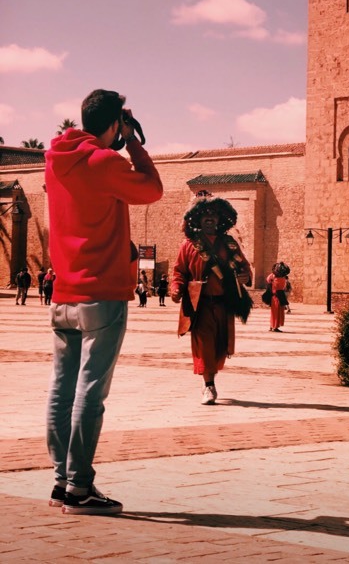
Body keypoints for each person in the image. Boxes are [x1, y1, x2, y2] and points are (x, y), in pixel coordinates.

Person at [44, 89, 163, 515]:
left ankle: (62, 481)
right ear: (114, 122)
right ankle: (80, 489)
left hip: (63, 295)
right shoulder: (105, 162)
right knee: (90, 392)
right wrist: (132, 141)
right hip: (102, 295)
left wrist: (116, 132)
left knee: (62, 389)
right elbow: (152, 190)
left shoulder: (55, 160)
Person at [171, 195, 252, 406]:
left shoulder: (229, 244)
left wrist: (246, 276)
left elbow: (244, 267)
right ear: (198, 220)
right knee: (204, 345)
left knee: (219, 346)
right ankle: (208, 385)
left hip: (224, 304)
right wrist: (176, 288)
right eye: (205, 216)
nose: (209, 219)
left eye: (213, 215)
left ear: (219, 219)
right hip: (201, 304)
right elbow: (179, 271)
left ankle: (211, 378)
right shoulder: (189, 245)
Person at [267, 262, 290, 333]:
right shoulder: (281, 277)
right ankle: (274, 327)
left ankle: (273, 326)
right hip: (277, 296)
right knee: (276, 312)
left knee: (275, 312)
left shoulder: (273, 276)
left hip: (277, 296)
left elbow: (268, 280)